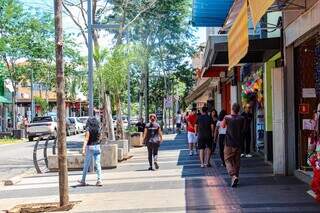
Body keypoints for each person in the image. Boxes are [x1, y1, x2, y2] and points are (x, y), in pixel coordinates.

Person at [221, 103, 245, 187]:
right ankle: (235, 178)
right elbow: (243, 129)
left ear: (232, 109)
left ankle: (233, 176)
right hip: (238, 143)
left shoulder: (227, 117)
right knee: (236, 161)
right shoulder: (242, 118)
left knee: (227, 160)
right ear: (239, 110)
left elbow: (222, 126)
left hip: (229, 143)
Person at [79, 117, 103, 186]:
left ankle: (83, 180)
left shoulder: (88, 129)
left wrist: (83, 149)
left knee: (86, 164)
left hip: (90, 147)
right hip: (97, 146)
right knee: (98, 163)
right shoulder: (98, 129)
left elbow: (86, 139)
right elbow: (100, 137)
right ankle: (99, 180)